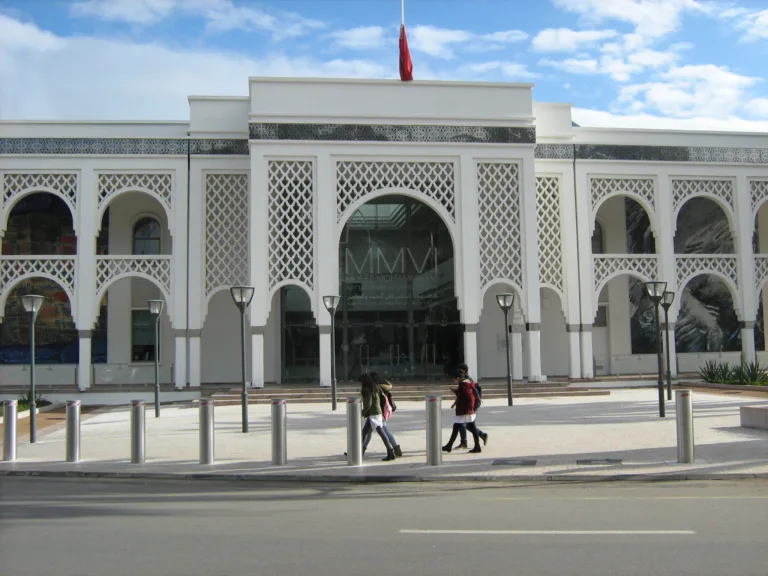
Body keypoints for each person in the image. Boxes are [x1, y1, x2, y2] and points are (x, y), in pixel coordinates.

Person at [443, 371, 483, 454]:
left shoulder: (463, 384)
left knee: (456, 426)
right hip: (467, 409)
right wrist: (455, 391)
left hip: (464, 410)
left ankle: (449, 445)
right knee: (472, 427)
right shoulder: (466, 383)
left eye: (455, 380)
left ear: (458, 378)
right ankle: (477, 446)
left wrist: (469, 408)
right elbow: (463, 394)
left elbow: (469, 396)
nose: (455, 381)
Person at [360, 373, 396, 461]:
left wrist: (361, 413)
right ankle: (357, 451)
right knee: (364, 433)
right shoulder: (374, 387)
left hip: (373, 414)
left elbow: (368, 403)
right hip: (376, 413)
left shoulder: (368, 389)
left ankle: (391, 451)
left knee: (381, 432)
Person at [370, 372, 403, 457]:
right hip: (381, 412)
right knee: (368, 432)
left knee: (382, 430)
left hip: (378, 413)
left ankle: (394, 449)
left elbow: (379, 402)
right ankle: (396, 449)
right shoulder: (383, 387)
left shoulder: (377, 388)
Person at [457, 363, 489, 449]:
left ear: (463, 371)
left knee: (463, 423)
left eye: (460, 370)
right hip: (472, 404)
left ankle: (464, 443)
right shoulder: (467, 379)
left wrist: (470, 407)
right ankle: (482, 435)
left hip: (470, 405)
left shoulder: (466, 380)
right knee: (468, 424)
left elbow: (468, 395)